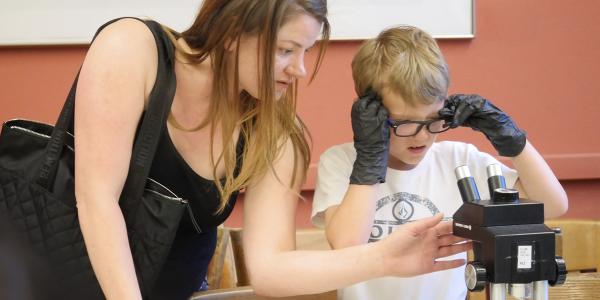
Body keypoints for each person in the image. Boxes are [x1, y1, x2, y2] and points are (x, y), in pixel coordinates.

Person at [74, 1, 471, 299]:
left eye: (306, 51)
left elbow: (269, 270)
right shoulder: (134, 48)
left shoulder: (276, 132)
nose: (299, 68)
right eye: (285, 50)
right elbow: (97, 197)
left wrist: (383, 258)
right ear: (232, 30)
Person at [311, 25, 568, 300]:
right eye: (405, 123)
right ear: (370, 114)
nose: (422, 136)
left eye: (434, 120)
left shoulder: (460, 160)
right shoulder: (340, 161)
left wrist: (514, 140)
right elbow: (348, 246)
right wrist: (371, 157)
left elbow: (553, 205)